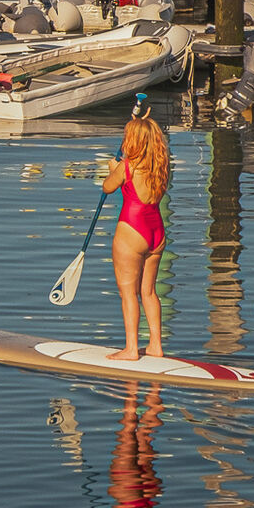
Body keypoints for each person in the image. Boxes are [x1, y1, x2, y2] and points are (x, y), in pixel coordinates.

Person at [100, 96, 173, 361]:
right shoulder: (161, 167)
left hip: (132, 231)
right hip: (156, 232)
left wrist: (113, 169)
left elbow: (107, 187)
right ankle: (155, 345)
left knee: (128, 293)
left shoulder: (127, 167)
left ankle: (131, 349)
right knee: (149, 292)